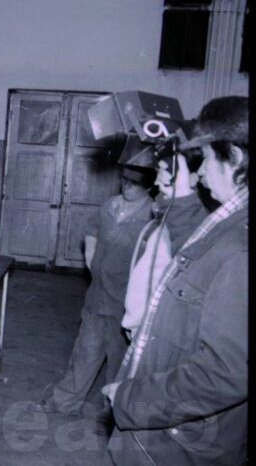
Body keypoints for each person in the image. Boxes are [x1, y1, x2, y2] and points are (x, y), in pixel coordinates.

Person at [102, 96, 248, 466]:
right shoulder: (230, 224)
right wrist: (181, 196)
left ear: (233, 157)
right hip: (168, 433)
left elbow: (225, 372)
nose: (201, 173)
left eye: (207, 159)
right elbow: (201, 262)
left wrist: (131, 400)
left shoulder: (241, 247)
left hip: (174, 445)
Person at [29, 166, 154, 419]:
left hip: (126, 302)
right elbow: (91, 228)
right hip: (98, 295)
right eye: (125, 180)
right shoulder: (110, 206)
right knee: (85, 351)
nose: (127, 186)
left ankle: (113, 413)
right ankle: (64, 402)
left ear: (149, 186)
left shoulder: (153, 215)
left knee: (119, 361)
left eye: (135, 183)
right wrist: (90, 253)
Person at [122, 150, 208, 339]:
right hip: (141, 325)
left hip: (153, 328)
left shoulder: (191, 224)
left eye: (166, 172)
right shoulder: (164, 220)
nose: (156, 182)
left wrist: (137, 323)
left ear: (192, 178)